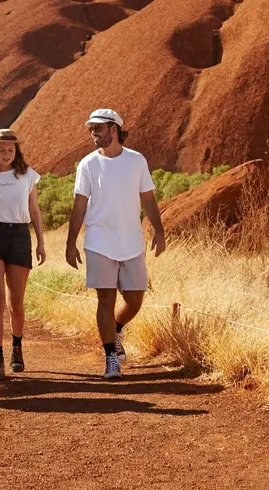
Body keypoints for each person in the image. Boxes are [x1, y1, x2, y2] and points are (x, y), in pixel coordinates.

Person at [63, 109, 166, 380]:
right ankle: (111, 358)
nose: (93, 133)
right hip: (99, 240)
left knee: (134, 299)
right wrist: (71, 242)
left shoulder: (136, 160)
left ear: (114, 129)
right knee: (105, 299)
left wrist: (159, 230)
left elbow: (148, 197)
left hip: (131, 240)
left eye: (98, 128)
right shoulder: (87, 164)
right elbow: (79, 204)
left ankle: (116, 329)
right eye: (91, 129)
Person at [0, 129, 47, 381]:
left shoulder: (27, 176)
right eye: (1, 149)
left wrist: (40, 243)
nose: (6, 153)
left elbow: (34, 211)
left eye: (10, 149)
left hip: (19, 236)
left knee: (16, 303)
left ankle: (16, 347)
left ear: (16, 152)